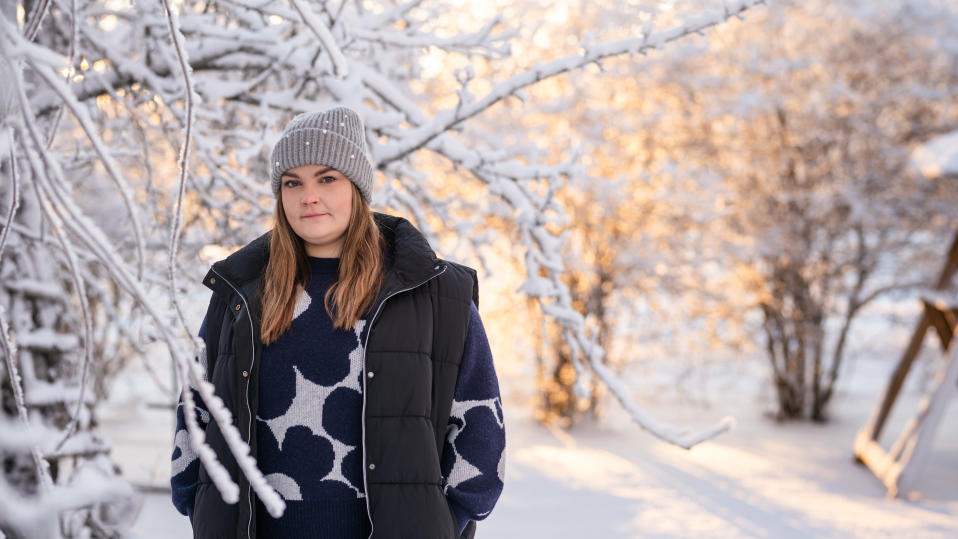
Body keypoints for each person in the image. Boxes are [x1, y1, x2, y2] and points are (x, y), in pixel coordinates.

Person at [169, 106, 506, 539]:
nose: (309, 196)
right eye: (293, 183)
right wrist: (197, 505)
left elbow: (480, 418)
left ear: (357, 188)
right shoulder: (240, 293)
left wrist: (446, 519)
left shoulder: (436, 293)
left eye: (327, 179)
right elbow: (195, 408)